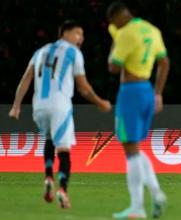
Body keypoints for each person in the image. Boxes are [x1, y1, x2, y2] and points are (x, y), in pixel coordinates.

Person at [8, 20, 112, 208]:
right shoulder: (73, 53)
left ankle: (48, 176)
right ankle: (62, 189)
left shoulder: (40, 52)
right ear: (65, 34)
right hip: (60, 106)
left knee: (49, 139)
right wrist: (99, 102)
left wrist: (16, 105)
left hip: (38, 106)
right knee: (64, 150)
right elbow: (83, 87)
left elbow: (26, 79)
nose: (81, 38)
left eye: (82, 34)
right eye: (77, 33)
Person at [106, 1, 170, 219]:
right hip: (147, 91)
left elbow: (113, 67)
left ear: (116, 17)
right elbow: (164, 63)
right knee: (134, 147)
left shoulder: (125, 33)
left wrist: (115, 41)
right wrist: (158, 93)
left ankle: (137, 207)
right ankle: (156, 193)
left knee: (130, 150)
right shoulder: (153, 30)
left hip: (130, 92)